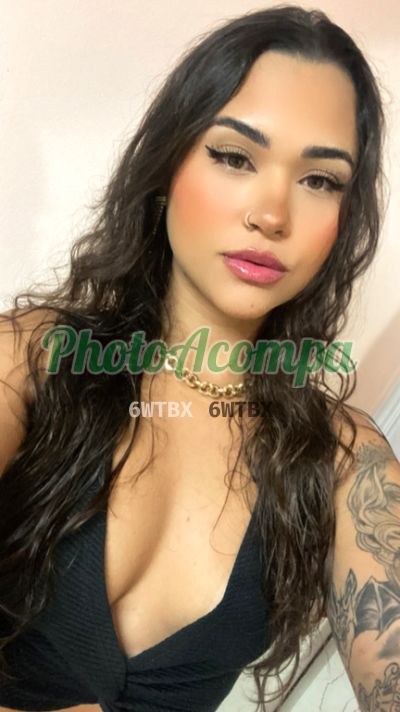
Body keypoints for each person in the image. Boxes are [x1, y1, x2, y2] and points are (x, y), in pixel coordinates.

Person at [0, 4, 398, 712]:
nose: (271, 215)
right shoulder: (29, 360)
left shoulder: (346, 466)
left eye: (320, 180)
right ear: (167, 165)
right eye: (234, 156)